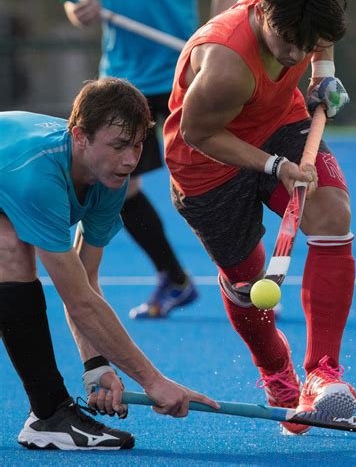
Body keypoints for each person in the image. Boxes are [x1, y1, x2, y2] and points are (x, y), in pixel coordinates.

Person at [163, 0, 356, 435]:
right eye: (290, 41)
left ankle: (321, 373)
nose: (295, 52)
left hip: (279, 121)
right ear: (264, 11)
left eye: (307, 43)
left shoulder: (305, 4)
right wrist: (275, 166)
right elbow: (198, 134)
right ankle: (277, 373)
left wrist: (323, 75)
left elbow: (321, 34)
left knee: (332, 215)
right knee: (250, 291)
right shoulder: (226, 64)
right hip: (207, 167)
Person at [0, 78, 218, 450]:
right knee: (10, 251)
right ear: (80, 136)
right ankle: (50, 414)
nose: (131, 159)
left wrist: (95, 366)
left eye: (137, 145)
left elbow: (84, 282)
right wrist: (153, 381)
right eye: (118, 146)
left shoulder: (109, 179)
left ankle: (48, 415)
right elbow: (81, 302)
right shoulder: (41, 178)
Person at [64, 0, 241, 319]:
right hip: (123, 81)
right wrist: (78, 9)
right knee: (120, 188)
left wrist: (212, 41)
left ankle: (244, 283)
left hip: (183, 73)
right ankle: (175, 279)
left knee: (214, 179)